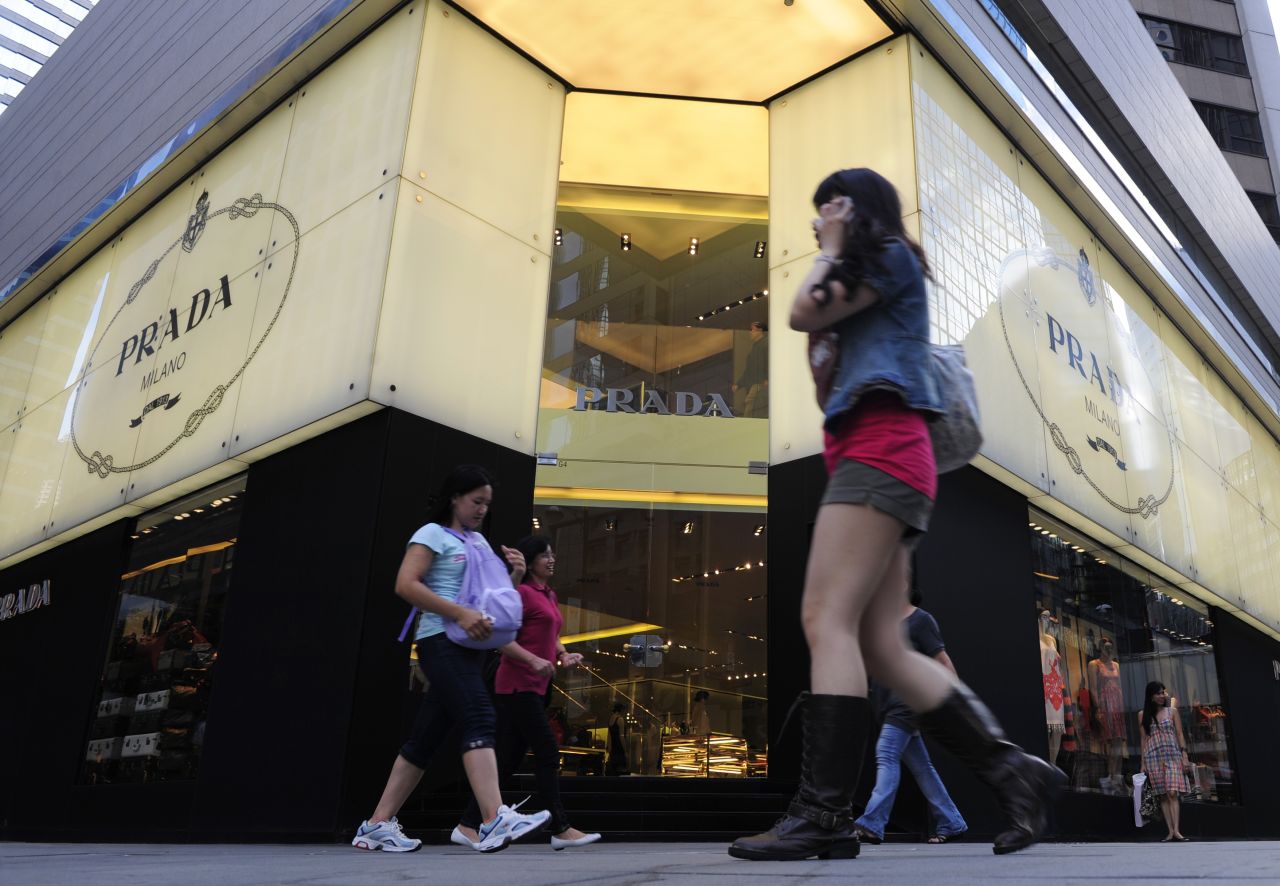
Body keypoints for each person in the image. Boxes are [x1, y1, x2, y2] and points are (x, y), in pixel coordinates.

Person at [727, 168, 1062, 862]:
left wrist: (831, 244)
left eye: (830, 208)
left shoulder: (890, 257)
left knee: (826, 619)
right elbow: (824, 357)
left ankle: (823, 814)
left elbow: (800, 310)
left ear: (857, 208)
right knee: (881, 643)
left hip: (880, 451)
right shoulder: (877, 275)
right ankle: (1014, 772)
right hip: (880, 453)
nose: (820, 222)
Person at [352, 465, 551, 853]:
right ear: (454, 498)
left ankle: (376, 824)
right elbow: (405, 584)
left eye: (487, 504)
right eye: (476, 501)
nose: (481, 510)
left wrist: (515, 574)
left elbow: (490, 598)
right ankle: (493, 818)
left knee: (424, 741)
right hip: (440, 640)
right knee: (480, 715)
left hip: (470, 645)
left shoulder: (476, 541)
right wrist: (458, 613)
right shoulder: (431, 534)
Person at [454, 536, 601, 851]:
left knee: (507, 759)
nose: (552, 559)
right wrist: (533, 659)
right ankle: (560, 828)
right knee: (548, 751)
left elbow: (552, 632)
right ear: (531, 561)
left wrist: (563, 655)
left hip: (537, 687)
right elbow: (499, 637)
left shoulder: (548, 593)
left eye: (553, 554)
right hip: (516, 685)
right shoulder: (519, 592)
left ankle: (467, 824)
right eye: (545, 555)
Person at [853, 589, 967, 845]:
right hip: (886, 707)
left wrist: (956, 699)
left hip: (906, 704)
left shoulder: (921, 620)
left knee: (886, 754)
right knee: (922, 767)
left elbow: (942, 660)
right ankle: (952, 821)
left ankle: (871, 823)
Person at [1140, 681, 1190, 842]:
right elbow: (1143, 739)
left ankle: (1177, 830)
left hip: (1172, 755)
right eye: (1159, 693)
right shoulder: (1142, 715)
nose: (1163, 696)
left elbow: (1180, 734)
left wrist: (1184, 755)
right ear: (1151, 696)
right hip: (1153, 757)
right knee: (1162, 795)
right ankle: (1170, 831)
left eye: (1164, 692)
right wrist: (1143, 763)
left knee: (1172, 792)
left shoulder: (1172, 711)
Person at [1088, 637, 1126, 794]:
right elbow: (1093, 688)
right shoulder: (1094, 664)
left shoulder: (1116, 664)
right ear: (1100, 648)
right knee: (1108, 741)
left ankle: (1116, 776)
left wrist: (1122, 706)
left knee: (1118, 742)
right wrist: (1097, 708)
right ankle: (1109, 776)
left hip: (1117, 704)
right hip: (1105, 704)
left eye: (1111, 647)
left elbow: (1120, 687)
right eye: (1106, 647)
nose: (1109, 650)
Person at [732, 321, 769, 417]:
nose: (750, 332)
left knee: (750, 402)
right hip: (756, 383)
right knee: (753, 405)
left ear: (760, 331)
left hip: (760, 383)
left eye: (752, 330)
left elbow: (770, 362)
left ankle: (747, 424)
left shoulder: (766, 344)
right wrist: (739, 384)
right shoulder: (755, 347)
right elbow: (749, 369)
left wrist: (767, 379)